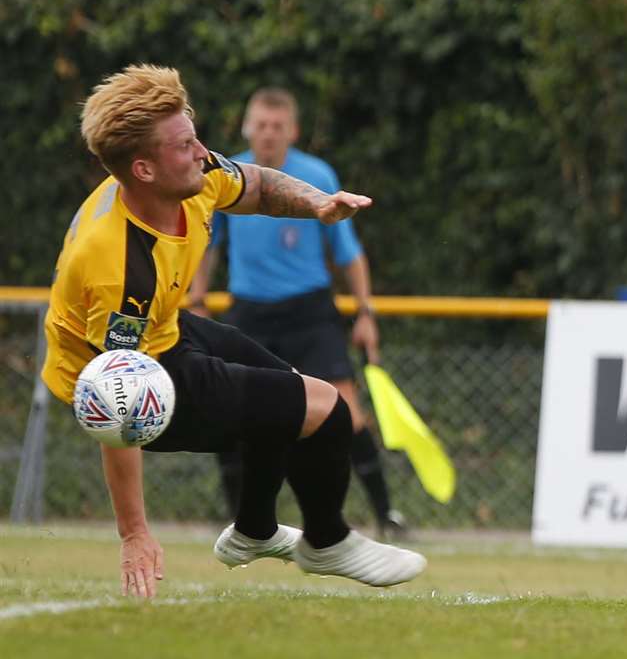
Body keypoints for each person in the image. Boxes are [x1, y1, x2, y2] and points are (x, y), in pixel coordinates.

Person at [41, 65, 424, 598]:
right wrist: (134, 533)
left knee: (286, 393)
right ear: (145, 168)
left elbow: (259, 186)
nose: (202, 151)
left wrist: (316, 204)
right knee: (327, 410)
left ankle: (254, 531)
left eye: (194, 135)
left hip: (164, 333)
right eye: (185, 145)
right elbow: (115, 400)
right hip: (121, 381)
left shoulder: (187, 178)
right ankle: (326, 541)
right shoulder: (120, 267)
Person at [186, 87, 402, 539]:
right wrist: (197, 297)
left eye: (277, 126)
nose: (267, 134)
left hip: (310, 312)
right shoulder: (230, 174)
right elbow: (209, 244)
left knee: (345, 410)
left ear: (293, 131)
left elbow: (348, 253)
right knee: (234, 412)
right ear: (247, 127)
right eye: (260, 125)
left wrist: (365, 312)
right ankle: (242, 521)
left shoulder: (316, 175)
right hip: (250, 312)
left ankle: (386, 515)